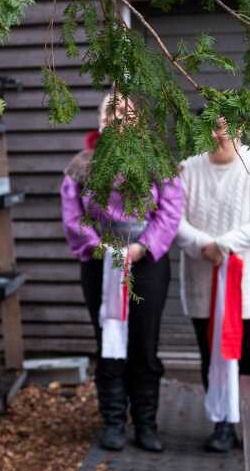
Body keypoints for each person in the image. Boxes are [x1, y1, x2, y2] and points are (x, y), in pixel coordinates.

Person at [60, 92, 184, 452]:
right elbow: (72, 216)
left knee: (145, 345)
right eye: (111, 111)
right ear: (100, 118)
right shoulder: (81, 165)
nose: (119, 119)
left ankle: (146, 423)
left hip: (145, 261)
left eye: (128, 113)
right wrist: (101, 248)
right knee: (109, 342)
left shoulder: (159, 163)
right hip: (101, 263)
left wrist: (142, 247)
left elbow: (171, 210)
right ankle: (113, 422)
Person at [177, 122, 250, 452]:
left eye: (224, 127)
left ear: (240, 128)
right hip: (203, 278)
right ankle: (222, 423)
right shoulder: (187, 168)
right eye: (210, 125)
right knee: (211, 354)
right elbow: (173, 219)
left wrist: (222, 245)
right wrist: (203, 245)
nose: (216, 133)